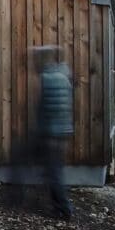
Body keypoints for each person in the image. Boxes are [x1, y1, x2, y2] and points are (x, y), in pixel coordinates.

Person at [33, 46, 75, 219]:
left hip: (51, 133)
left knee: (53, 173)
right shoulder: (64, 77)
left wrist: (40, 129)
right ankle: (58, 207)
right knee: (54, 170)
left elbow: (45, 109)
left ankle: (64, 209)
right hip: (63, 131)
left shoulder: (47, 79)